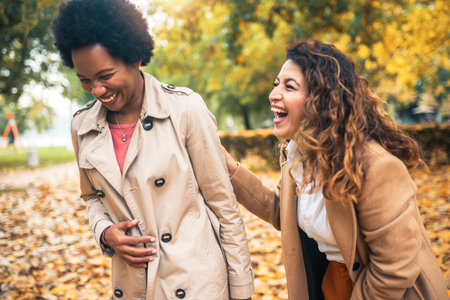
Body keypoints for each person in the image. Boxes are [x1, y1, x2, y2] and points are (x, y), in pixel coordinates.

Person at [51, 0, 254, 299]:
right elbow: (91, 197)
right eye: (85, 80)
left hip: (197, 284)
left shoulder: (185, 109)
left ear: (134, 57)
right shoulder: (82, 126)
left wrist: (241, 290)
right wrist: (106, 234)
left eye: (105, 76)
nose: (96, 90)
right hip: (134, 284)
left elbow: (224, 207)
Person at [224, 39, 447, 299]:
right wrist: (226, 168)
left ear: (320, 100)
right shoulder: (298, 158)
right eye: (276, 84)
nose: (273, 94)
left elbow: (394, 268)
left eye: (289, 86)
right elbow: (282, 211)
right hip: (333, 285)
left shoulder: (377, 167)